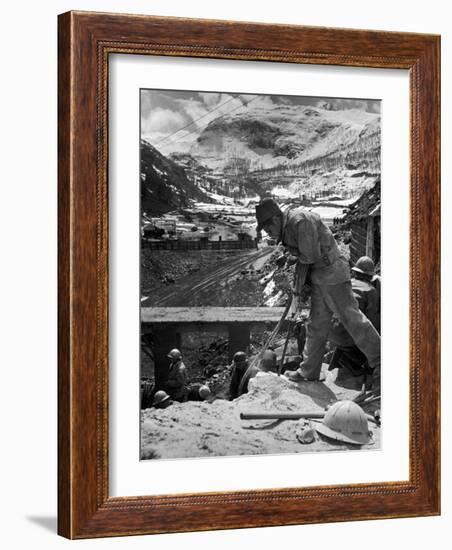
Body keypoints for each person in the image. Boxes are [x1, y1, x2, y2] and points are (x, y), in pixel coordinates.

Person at [255, 197, 380, 394]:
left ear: (276, 219)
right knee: (316, 325)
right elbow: (307, 259)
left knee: (351, 319)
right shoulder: (289, 226)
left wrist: (290, 261)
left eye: (268, 228)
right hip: (321, 277)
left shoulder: (299, 221)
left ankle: (380, 360)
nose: (268, 233)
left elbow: (309, 255)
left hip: (333, 274)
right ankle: (309, 371)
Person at [328, 256, 380, 375]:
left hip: (329, 332)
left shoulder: (346, 284)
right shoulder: (370, 290)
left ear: (355, 272)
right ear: (370, 276)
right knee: (369, 337)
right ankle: (368, 371)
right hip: (348, 338)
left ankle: (340, 363)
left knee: (346, 327)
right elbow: (372, 321)